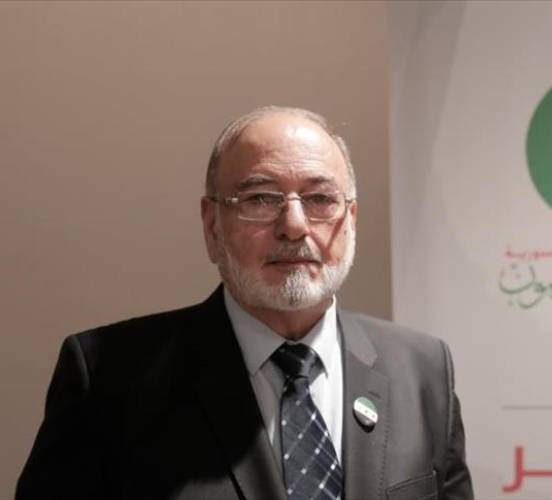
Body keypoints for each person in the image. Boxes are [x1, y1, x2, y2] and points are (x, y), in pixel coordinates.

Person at [16, 106, 474, 500]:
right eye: (260, 198)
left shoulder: (422, 370)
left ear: (350, 219)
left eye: (320, 198)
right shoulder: (110, 378)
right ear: (212, 225)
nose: (294, 226)